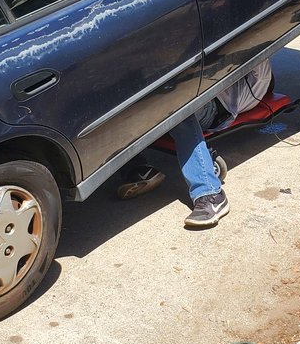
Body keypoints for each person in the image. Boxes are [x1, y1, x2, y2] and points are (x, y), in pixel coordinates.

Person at [115, 60, 274, 229]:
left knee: (176, 108)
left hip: (215, 107)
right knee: (124, 101)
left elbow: (254, 45)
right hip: (191, 91)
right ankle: (139, 169)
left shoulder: (259, 79)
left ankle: (210, 194)